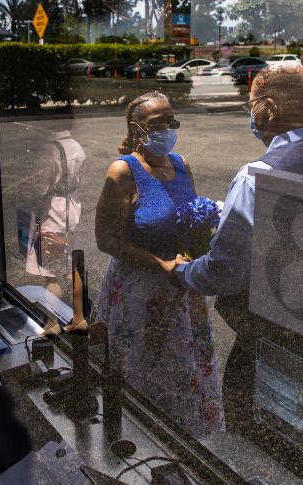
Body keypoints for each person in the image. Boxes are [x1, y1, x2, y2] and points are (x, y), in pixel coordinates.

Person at [166, 63, 303, 457]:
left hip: (269, 339)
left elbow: (226, 268)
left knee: (254, 445)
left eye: (251, 104)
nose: (249, 112)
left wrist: (184, 272)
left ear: (269, 109)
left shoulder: (257, 176)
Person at [93, 91, 225, 440]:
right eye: (157, 124)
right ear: (136, 129)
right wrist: (160, 264)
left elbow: (191, 222)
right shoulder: (123, 171)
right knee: (144, 379)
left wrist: (204, 245)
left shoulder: (181, 164)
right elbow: (106, 240)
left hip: (183, 291)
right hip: (140, 296)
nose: (166, 129)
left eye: (171, 121)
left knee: (185, 377)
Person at [23, 129, 86, 300]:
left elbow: (41, 187)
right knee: (70, 264)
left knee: (51, 273)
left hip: (52, 211)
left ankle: (52, 322)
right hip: (71, 205)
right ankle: (79, 314)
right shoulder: (76, 146)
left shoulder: (50, 150)